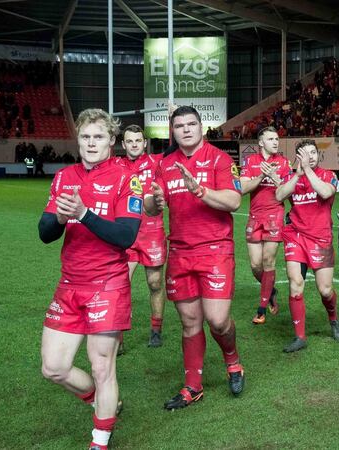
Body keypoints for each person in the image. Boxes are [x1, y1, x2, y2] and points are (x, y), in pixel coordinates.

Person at [38, 108, 142, 450]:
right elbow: (45, 232)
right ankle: (102, 401)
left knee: (102, 366)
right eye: (85, 137)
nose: (91, 143)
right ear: (78, 139)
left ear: (111, 140)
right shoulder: (64, 176)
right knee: (53, 368)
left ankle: (100, 440)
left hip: (107, 284)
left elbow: (126, 236)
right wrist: (61, 218)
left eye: (98, 137)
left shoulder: (128, 178)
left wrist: (84, 214)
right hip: (69, 284)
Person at [144, 106, 245, 409]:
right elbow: (149, 206)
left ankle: (233, 361)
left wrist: (200, 191)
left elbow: (234, 201)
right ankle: (193, 386)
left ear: (201, 127)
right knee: (190, 323)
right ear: (172, 131)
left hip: (215, 249)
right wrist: (154, 201)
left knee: (217, 320)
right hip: (180, 252)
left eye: (191, 124)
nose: (186, 129)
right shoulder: (164, 164)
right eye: (179, 125)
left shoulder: (220, 159)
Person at [275, 139, 339, 353]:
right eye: (305, 153)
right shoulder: (291, 177)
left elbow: (325, 192)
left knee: (325, 290)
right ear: (297, 156)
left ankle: (333, 318)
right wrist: (297, 174)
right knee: (296, 284)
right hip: (295, 235)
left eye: (313, 152)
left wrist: (307, 170)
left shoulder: (329, 175)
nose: (311, 156)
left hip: (320, 237)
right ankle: (300, 336)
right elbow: (278, 195)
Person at [116, 125, 167, 348]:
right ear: (123, 144)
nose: (134, 144)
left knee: (155, 283)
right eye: (130, 141)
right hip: (126, 233)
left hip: (152, 232)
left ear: (144, 143)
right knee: (120, 284)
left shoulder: (157, 162)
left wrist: (172, 117)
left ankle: (156, 329)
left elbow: (176, 148)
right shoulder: (116, 165)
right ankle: (117, 335)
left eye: (138, 140)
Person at [239, 126, 290, 325]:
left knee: (269, 261)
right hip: (255, 216)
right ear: (261, 142)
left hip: (275, 215)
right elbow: (242, 188)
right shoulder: (250, 162)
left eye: (277, 138)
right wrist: (261, 176)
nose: (275, 142)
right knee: (255, 265)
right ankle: (271, 290)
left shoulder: (284, 163)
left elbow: (287, 191)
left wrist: (275, 177)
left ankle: (261, 309)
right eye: (270, 139)